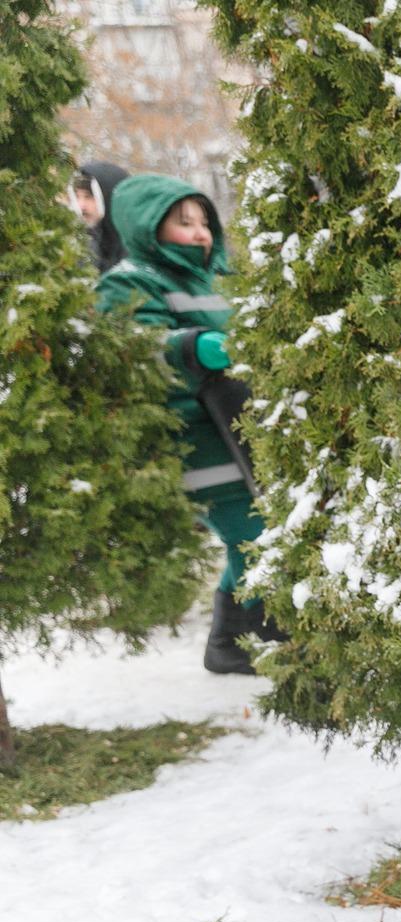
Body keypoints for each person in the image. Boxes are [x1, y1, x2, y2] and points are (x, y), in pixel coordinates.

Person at [95, 173, 276, 675]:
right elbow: (128, 349)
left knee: (256, 533)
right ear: (145, 227)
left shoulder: (215, 279)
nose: (200, 233)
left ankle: (228, 642)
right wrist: (187, 347)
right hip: (192, 438)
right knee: (254, 536)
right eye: (184, 223)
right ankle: (270, 640)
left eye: (204, 222)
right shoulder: (130, 280)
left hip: (235, 427)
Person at [65, 161, 130, 273]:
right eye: (77, 196)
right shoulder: (73, 243)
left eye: (89, 196)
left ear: (109, 197)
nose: (81, 206)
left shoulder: (136, 251)